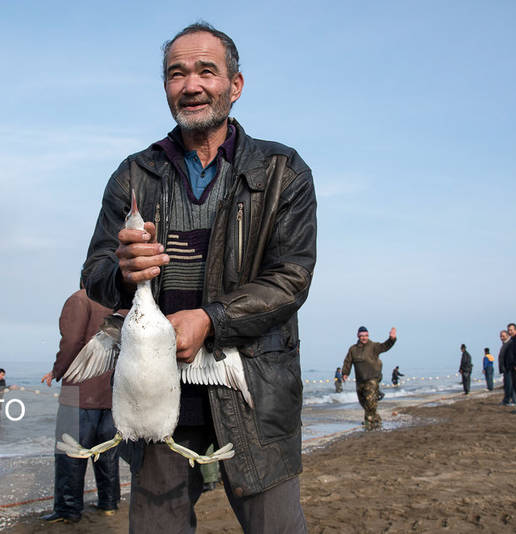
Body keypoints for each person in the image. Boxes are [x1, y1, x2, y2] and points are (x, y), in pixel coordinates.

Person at [79, 22, 316, 533]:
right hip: (152, 399)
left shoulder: (282, 171)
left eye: (207, 71)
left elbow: (291, 278)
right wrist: (122, 275)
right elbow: (94, 273)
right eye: (176, 73)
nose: (191, 85)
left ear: (235, 85)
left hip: (255, 392)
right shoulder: (132, 174)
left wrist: (211, 320)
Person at [40, 289, 121, 523]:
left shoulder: (80, 299)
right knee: (107, 454)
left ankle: (68, 510)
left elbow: (72, 341)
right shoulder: (118, 301)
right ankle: (109, 503)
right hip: (112, 392)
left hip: (80, 392)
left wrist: (57, 371)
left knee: (70, 454)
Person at [341, 326, 397, 431]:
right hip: (360, 380)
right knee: (363, 402)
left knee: (370, 401)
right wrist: (345, 373)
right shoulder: (353, 349)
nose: (364, 338)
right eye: (362, 336)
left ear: (368, 335)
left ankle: (368, 423)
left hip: (372, 378)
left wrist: (392, 339)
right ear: (358, 336)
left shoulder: (374, 346)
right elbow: (348, 362)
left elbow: (385, 346)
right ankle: (376, 419)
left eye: (366, 336)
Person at [498, 330, 516, 406]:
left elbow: (510, 357)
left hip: (508, 368)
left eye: (503, 336)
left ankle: (511, 400)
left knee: (509, 385)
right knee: (508, 385)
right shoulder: (505, 344)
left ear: (507, 336)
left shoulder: (510, 343)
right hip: (505, 368)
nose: (502, 337)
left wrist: (508, 367)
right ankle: (509, 400)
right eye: (501, 336)